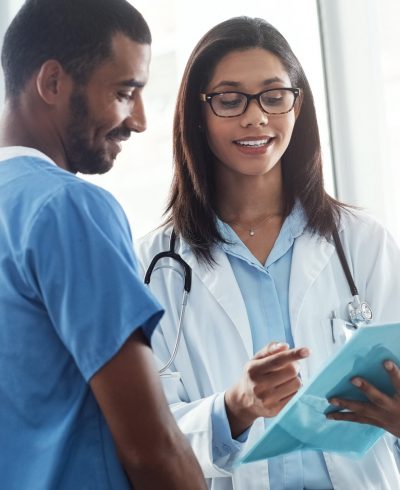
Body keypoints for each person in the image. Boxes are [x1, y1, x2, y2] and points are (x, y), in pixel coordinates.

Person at [136, 16, 400, 490]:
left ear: (298, 106)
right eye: (230, 99)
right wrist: (234, 407)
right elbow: (147, 437)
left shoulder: (363, 243)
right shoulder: (157, 265)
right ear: (198, 113)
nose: (255, 117)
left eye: (274, 96)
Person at [0, 1, 207, 489]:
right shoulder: (66, 208)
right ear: (52, 83)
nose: (138, 120)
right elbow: (151, 447)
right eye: (123, 92)